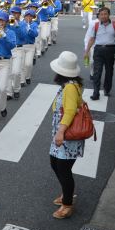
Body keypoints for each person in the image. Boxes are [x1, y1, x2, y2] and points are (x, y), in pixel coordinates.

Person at [48, 51, 85, 219]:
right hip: (63, 133)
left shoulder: (70, 87)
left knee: (63, 169)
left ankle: (67, 204)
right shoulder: (71, 84)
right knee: (57, 164)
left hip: (67, 134)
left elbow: (69, 111)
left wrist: (61, 132)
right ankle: (66, 193)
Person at [84, 7, 115, 100]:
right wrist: (86, 51)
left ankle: (107, 89)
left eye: (105, 14)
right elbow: (92, 39)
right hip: (98, 50)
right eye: (101, 14)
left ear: (109, 15)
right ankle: (96, 92)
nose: (103, 16)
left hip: (111, 50)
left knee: (109, 72)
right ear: (99, 16)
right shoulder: (96, 25)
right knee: (97, 72)